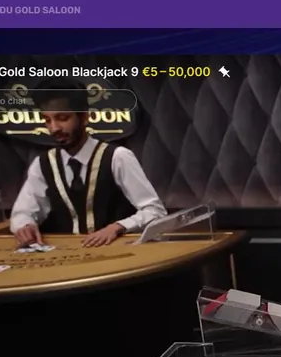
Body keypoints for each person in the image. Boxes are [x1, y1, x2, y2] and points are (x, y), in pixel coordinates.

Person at [9, 80, 166, 248]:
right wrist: (25, 226)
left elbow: (155, 211)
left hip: (117, 251)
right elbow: (22, 214)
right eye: (47, 120)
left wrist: (118, 227)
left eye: (62, 118)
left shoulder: (118, 157)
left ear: (84, 117)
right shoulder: (42, 164)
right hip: (67, 253)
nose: (54, 128)